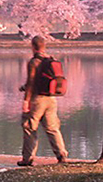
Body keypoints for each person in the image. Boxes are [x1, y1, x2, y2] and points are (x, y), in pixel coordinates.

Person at [18, 36, 68, 166]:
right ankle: (61, 154)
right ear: (44, 46)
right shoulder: (50, 60)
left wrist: (26, 101)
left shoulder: (34, 62)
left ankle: (27, 158)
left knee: (29, 127)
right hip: (51, 99)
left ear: (33, 46)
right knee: (52, 128)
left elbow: (31, 83)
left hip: (37, 100)